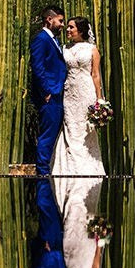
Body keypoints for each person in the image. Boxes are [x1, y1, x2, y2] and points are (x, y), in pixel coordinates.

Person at [53, 16, 106, 179]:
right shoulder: (64, 48)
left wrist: (99, 98)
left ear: (81, 30)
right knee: (70, 126)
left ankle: (87, 168)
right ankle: (68, 168)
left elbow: (95, 74)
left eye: (71, 27)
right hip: (69, 92)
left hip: (86, 91)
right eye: (67, 27)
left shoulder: (92, 50)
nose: (67, 30)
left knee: (85, 128)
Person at [29, 5, 68, 174]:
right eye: (60, 21)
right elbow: (37, 67)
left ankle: (48, 169)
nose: (62, 25)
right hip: (50, 95)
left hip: (57, 93)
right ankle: (43, 172)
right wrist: (46, 92)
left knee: (53, 133)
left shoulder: (54, 40)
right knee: (47, 135)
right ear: (49, 19)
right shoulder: (41, 39)